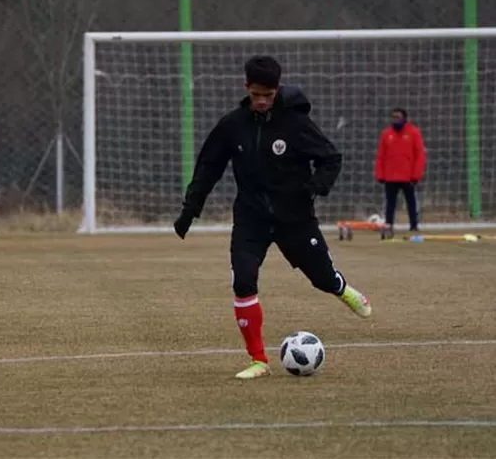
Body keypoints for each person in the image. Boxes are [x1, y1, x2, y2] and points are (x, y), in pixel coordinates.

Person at [173, 56, 371, 380]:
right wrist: (189, 210)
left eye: (268, 94)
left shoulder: (295, 124)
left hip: (295, 219)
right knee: (243, 282)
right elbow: (208, 167)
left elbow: (330, 158)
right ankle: (259, 361)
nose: (262, 101)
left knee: (321, 278)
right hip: (250, 219)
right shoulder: (232, 126)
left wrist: (313, 188)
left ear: (277, 90)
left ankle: (342, 288)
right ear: (246, 89)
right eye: (256, 95)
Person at [374, 108, 426, 233]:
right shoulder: (386, 134)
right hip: (390, 176)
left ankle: (414, 225)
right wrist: (380, 174)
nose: (395, 120)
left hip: (408, 176)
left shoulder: (413, 132)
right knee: (390, 203)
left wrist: (416, 174)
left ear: (404, 118)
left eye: (398, 117)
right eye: (393, 117)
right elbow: (381, 156)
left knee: (411, 203)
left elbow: (419, 155)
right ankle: (389, 225)